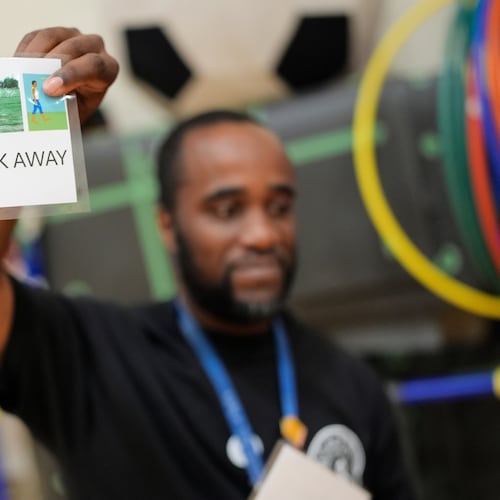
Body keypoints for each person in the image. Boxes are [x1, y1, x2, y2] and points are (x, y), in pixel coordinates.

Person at [0, 28, 415, 500]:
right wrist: (18, 138)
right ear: (168, 225)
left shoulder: (353, 387)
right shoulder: (88, 355)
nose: (262, 235)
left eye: (279, 207)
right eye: (227, 209)